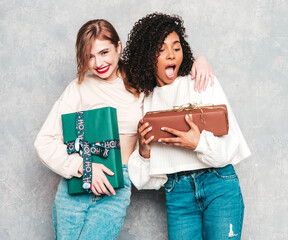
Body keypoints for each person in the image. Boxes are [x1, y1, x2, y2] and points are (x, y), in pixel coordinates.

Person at [34, 19, 213, 239]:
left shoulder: (141, 83)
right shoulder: (77, 89)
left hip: (116, 184)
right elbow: (44, 141)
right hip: (76, 184)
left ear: (118, 47)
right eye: (90, 56)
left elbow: (171, 75)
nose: (98, 62)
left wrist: (200, 61)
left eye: (104, 52)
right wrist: (84, 166)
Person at [125, 13, 251, 240]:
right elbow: (145, 181)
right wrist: (144, 152)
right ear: (146, 56)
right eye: (161, 50)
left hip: (218, 184)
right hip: (178, 193)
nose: (171, 55)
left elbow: (229, 146)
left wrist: (198, 143)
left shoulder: (200, 79)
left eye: (176, 47)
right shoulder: (145, 100)